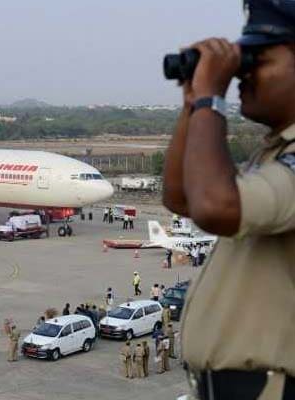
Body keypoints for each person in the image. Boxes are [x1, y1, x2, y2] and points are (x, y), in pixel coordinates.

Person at [163, 2, 295, 399]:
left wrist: (211, 100)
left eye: (257, 58)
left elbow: (215, 208)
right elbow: (182, 196)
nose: (244, 73)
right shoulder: (275, 152)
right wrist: (194, 102)